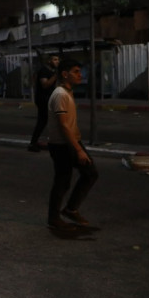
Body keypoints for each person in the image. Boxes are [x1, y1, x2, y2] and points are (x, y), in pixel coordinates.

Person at [46, 58, 98, 231]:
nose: (79, 75)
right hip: (63, 144)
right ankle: (59, 215)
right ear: (64, 74)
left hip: (67, 143)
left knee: (72, 178)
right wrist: (78, 150)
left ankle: (68, 210)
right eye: (76, 71)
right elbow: (64, 125)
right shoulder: (60, 94)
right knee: (71, 178)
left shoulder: (66, 92)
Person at [29, 54, 60, 152]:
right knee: (43, 121)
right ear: (49, 61)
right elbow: (45, 85)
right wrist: (55, 76)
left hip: (49, 99)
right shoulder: (44, 71)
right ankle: (33, 143)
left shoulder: (52, 71)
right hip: (43, 99)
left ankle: (36, 142)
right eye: (55, 59)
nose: (57, 61)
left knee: (49, 120)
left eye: (58, 60)